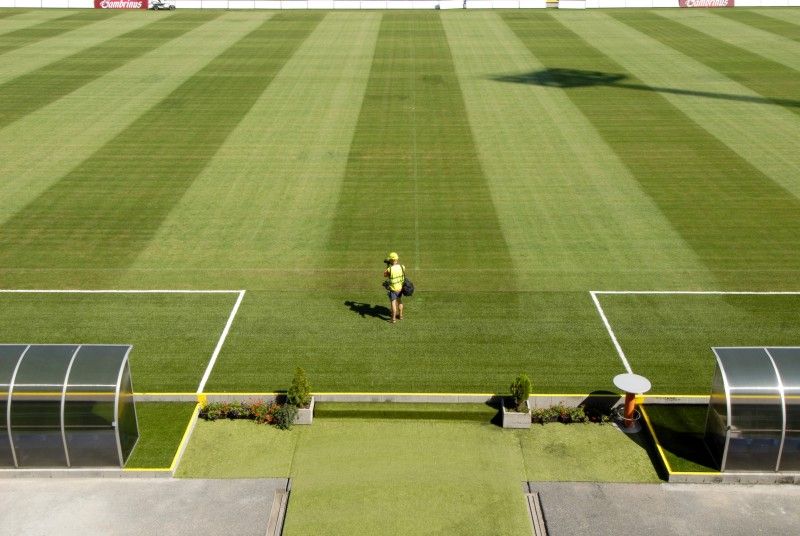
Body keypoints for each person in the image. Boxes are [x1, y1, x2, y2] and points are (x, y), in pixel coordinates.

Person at [383, 252, 405, 324]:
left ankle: (393, 319)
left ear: (392, 260)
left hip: (393, 289)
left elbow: (385, 275)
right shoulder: (402, 267)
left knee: (393, 303)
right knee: (400, 301)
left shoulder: (390, 269)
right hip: (400, 288)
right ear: (397, 259)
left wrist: (388, 266)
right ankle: (401, 316)